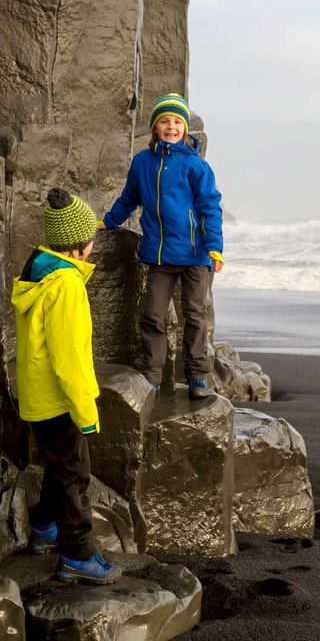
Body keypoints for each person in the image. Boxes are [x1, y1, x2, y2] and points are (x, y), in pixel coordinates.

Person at [11, 187, 120, 585]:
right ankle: (75, 554)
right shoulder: (67, 286)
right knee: (75, 473)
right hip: (59, 400)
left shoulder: (37, 268)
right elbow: (69, 357)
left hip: (36, 396)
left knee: (59, 467)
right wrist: (86, 412)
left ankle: (43, 529)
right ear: (81, 246)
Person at [99, 93, 223, 399]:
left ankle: (197, 375)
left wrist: (215, 247)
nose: (171, 127)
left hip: (195, 255)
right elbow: (129, 198)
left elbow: (210, 207)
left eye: (177, 122)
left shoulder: (196, 167)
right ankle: (152, 372)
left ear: (185, 128)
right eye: (165, 121)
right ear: (155, 127)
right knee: (152, 314)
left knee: (194, 315)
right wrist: (110, 221)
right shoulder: (142, 163)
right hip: (159, 254)